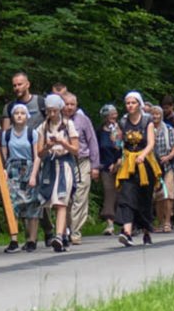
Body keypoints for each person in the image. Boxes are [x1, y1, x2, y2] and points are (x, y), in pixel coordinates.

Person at [30, 93, 79, 251]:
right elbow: (39, 153)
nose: (51, 114)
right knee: (51, 202)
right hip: (50, 165)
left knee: (61, 201)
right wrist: (48, 146)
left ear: (60, 109)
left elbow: (76, 150)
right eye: (48, 111)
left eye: (54, 111)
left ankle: (58, 235)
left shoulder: (68, 125)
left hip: (65, 164)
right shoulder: (42, 127)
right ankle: (63, 236)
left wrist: (63, 142)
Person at [113, 91, 162, 246]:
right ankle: (126, 232)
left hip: (144, 163)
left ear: (139, 104)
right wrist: (116, 142)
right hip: (129, 163)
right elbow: (119, 141)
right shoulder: (123, 122)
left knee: (144, 198)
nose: (130, 106)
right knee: (126, 196)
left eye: (133, 103)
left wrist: (143, 155)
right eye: (128, 103)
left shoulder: (147, 121)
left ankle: (146, 231)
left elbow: (151, 143)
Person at [2, 102, 44, 251]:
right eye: (16, 113)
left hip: (29, 169)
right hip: (13, 170)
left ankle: (31, 240)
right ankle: (14, 239)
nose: (19, 116)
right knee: (12, 204)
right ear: (12, 116)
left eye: (22, 113)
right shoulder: (6, 134)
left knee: (32, 205)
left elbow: (37, 156)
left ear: (27, 116)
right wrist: (3, 173)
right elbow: (4, 156)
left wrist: (33, 175)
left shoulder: (32, 133)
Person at [65, 91, 98, 245]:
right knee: (66, 198)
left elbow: (92, 142)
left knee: (80, 197)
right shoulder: (58, 121)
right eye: (67, 104)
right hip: (65, 161)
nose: (69, 107)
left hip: (83, 162)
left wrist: (95, 165)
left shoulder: (83, 120)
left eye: (72, 104)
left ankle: (75, 231)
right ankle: (65, 229)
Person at [96, 101, 122, 235]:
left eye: (115, 114)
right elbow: (96, 149)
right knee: (109, 192)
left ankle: (125, 222)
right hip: (105, 167)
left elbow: (123, 147)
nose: (113, 116)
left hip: (121, 165)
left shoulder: (121, 128)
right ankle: (110, 223)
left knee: (121, 193)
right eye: (110, 115)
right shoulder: (100, 131)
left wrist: (118, 161)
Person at [153, 108, 174, 232]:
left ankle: (168, 222)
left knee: (168, 194)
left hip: (167, 166)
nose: (155, 116)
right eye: (153, 114)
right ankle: (160, 222)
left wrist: (168, 157)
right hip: (153, 166)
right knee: (158, 195)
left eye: (158, 114)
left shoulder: (168, 129)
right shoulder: (148, 129)